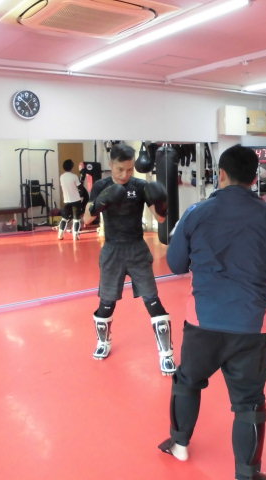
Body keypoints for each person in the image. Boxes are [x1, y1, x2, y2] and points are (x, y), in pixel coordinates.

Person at [157, 145, 266, 480]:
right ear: (254, 178)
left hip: (203, 322)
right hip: (251, 326)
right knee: (249, 402)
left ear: (220, 174)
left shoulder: (196, 212)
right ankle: (247, 474)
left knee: (187, 381)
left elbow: (175, 264)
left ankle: (180, 444)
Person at [82, 143, 176, 375]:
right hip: (112, 251)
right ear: (111, 164)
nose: (125, 174)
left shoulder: (141, 186)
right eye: (120, 169)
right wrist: (100, 203)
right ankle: (103, 342)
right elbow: (86, 220)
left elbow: (160, 220)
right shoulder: (101, 186)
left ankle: (166, 354)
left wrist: (162, 204)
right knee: (106, 303)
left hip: (137, 249)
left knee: (152, 300)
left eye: (130, 169)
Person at [58, 159, 88, 240]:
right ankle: (75, 236)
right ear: (72, 166)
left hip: (66, 201)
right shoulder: (74, 176)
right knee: (76, 219)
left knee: (64, 218)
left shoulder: (61, 177)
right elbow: (80, 188)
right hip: (76, 200)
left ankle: (60, 235)